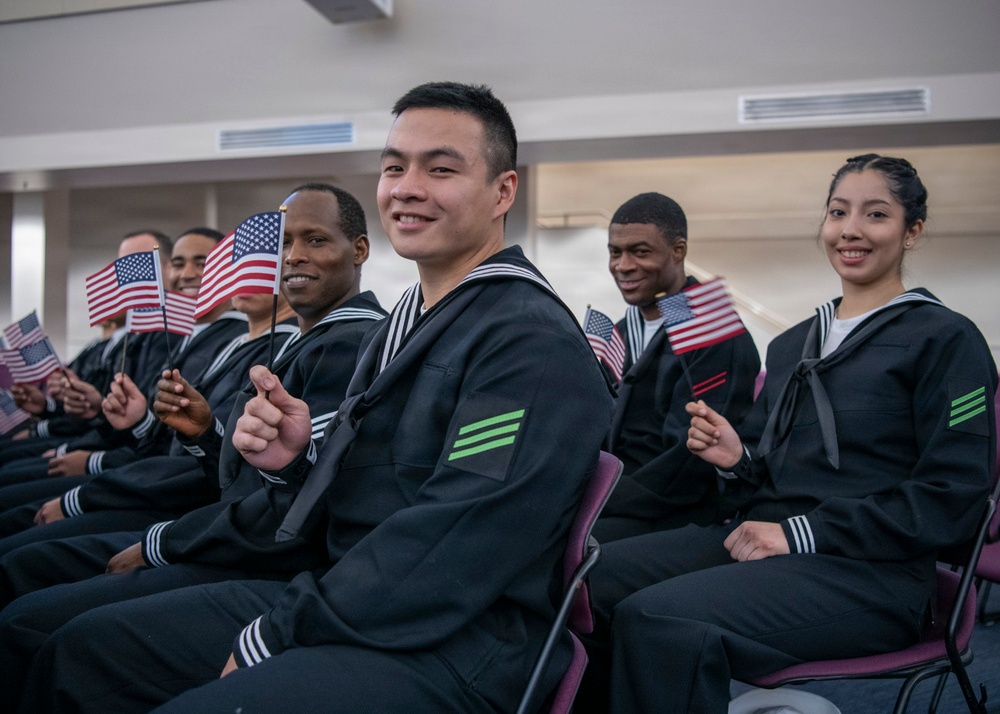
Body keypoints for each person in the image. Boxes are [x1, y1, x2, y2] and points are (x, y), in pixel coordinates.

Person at [14, 81, 614, 714]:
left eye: (440, 168)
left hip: (453, 642)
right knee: (77, 651)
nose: (407, 186)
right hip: (354, 593)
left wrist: (280, 629)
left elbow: (459, 532)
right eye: (393, 167)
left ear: (503, 191)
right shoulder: (411, 319)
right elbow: (381, 489)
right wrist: (297, 460)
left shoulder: (526, 340)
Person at [579, 154, 997, 713]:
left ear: (912, 231)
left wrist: (801, 533)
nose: (850, 229)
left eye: (875, 214)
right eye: (837, 212)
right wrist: (736, 460)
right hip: (765, 543)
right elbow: (762, 486)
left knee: (656, 618)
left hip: (869, 575)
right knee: (586, 578)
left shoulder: (946, 339)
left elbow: (955, 501)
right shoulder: (793, 343)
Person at [0, 182, 383, 614]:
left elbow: (292, 503)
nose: (291, 256)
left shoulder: (350, 342)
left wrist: (164, 540)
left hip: (261, 557)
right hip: (228, 531)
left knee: (37, 611)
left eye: (315, 239)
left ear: (359, 249)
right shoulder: (306, 341)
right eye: (282, 245)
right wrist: (202, 431)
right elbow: (246, 476)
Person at [595, 192, 759, 541]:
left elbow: (689, 460)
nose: (623, 265)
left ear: (678, 251)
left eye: (640, 252)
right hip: (617, 497)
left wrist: (600, 499)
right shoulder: (623, 332)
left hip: (677, 513)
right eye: (615, 252)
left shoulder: (712, 332)